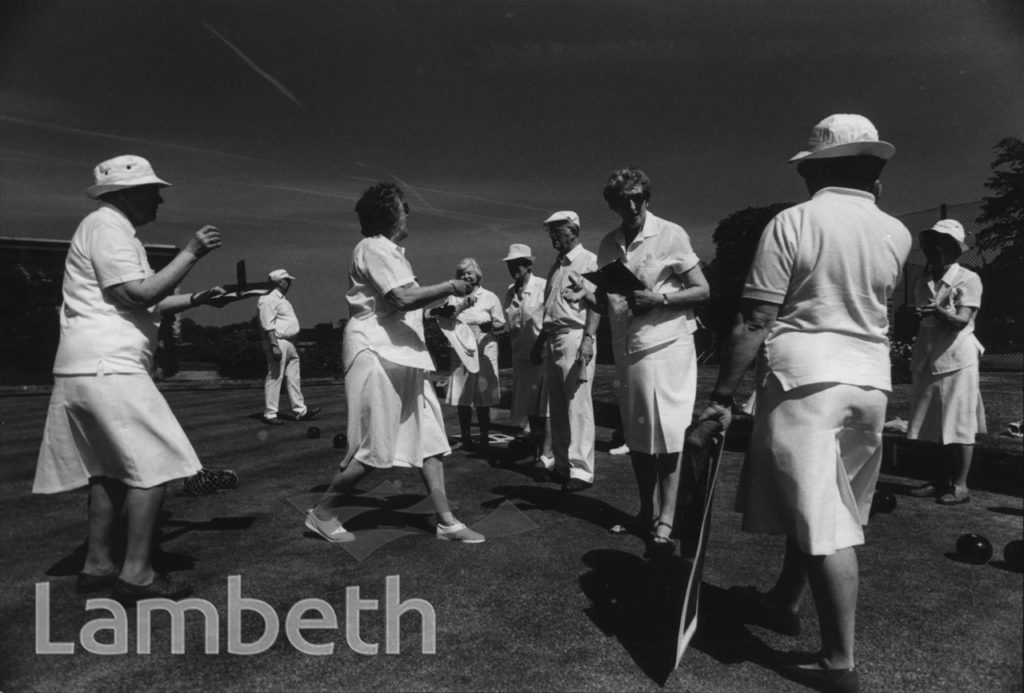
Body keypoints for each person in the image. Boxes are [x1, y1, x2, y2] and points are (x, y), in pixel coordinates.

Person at [698, 114, 911, 691]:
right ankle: (783, 601)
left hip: (807, 384)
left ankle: (839, 663)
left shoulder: (793, 221)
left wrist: (722, 396)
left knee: (826, 526)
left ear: (819, 169)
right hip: (871, 385)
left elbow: (756, 317)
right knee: (828, 509)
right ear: (871, 170)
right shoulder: (897, 232)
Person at [33, 154, 244, 604]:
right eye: (153, 190)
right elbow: (135, 295)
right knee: (156, 467)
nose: (160, 198)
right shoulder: (108, 228)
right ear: (126, 193)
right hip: (111, 366)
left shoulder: (108, 229)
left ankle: (97, 566)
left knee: (107, 472)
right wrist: (192, 252)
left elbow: (148, 300)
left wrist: (199, 299)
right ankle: (138, 574)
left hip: (84, 367)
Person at [305, 182, 483, 544]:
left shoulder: (391, 253)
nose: (408, 211)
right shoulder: (373, 248)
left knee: (431, 440)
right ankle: (322, 514)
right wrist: (451, 285)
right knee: (376, 449)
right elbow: (402, 298)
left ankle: (446, 522)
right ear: (389, 214)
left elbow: (411, 305)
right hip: (376, 354)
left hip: (403, 355)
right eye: (403, 206)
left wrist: (456, 301)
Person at [567, 167, 710, 552]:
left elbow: (702, 289)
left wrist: (660, 299)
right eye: (623, 199)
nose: (631, 205)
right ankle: (646, 510)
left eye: (638, 197)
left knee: (667, 434)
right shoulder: (609, 244)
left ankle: (667, 516)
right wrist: (586, 297)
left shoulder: (671, 233)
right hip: (629, 348)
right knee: (638, 437)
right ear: (613, 204)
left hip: (667, 345)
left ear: (647, 197)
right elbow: (606, 299)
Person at [906, 219, 986, 505]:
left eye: (940, 243)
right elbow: (922, 317)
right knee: (932, 425)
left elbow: (961, 321)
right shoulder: (921, 278)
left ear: (954, 249)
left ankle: (960, 486)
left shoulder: (968, 278)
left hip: (958, 359)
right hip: (928, 357)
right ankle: (939, 481)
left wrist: (939, 312)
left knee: (960, 423)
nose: (932, 247)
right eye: (929, 242)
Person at [530, 211, 600, 492]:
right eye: (551, 232)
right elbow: (549, 309)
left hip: (575, 336)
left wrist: (589, 339)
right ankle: (562, 465)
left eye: (557, 231)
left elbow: (597, 303)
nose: (552, 237)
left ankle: (581, 470)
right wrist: (539, 342)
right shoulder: (556, 267)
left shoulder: (589, 261)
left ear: (573, 230)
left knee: (577, 404)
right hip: (553, 338)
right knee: (557, 406)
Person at [436, 258, 506, 453]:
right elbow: (445, 318)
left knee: (484, 397)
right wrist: (463, 305)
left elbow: (501, 324)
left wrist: (490, 326)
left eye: (469, 273)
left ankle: (484, 438)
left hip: (485, 350)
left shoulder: (490, 297)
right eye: (462, 274)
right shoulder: (453, 297)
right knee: (463, 396)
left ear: (478, 275)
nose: (466, 276)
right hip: (461, 351)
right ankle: (466, 438)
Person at [501, 243, 553, 466]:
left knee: (545, 408)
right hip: (521, 357)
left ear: (529, 265)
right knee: (531, 408)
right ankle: (537, 449)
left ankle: (548, 454)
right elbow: (511, 325)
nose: (514, 268)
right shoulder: (509, 292)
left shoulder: (543, 286)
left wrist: (539, 347)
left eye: (519, 264)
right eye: (511, 264)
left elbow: (550, 320)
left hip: (542, 355)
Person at [257, 269, 320, 425]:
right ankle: (270, 414)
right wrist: (274, 345)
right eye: (287, 280)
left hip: (289, 343)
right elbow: (268, 325)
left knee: (293, 377)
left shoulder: (283, 299)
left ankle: (300, 411)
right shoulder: (268, 299)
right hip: (278, 341)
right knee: (275, 376)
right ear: (280, 282)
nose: (290, 283)